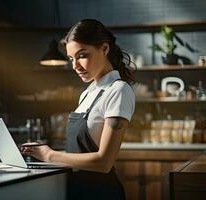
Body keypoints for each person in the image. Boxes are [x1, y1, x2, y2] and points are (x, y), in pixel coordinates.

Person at [22, 19, 135, 200]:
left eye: (82, 55)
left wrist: (50, 155)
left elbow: (104, 162)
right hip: (77, 190)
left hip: (102, 194)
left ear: (104, 49)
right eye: (71, 58)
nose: (75, 66)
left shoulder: (118, 90)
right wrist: (42, 153)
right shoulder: (87, 93)